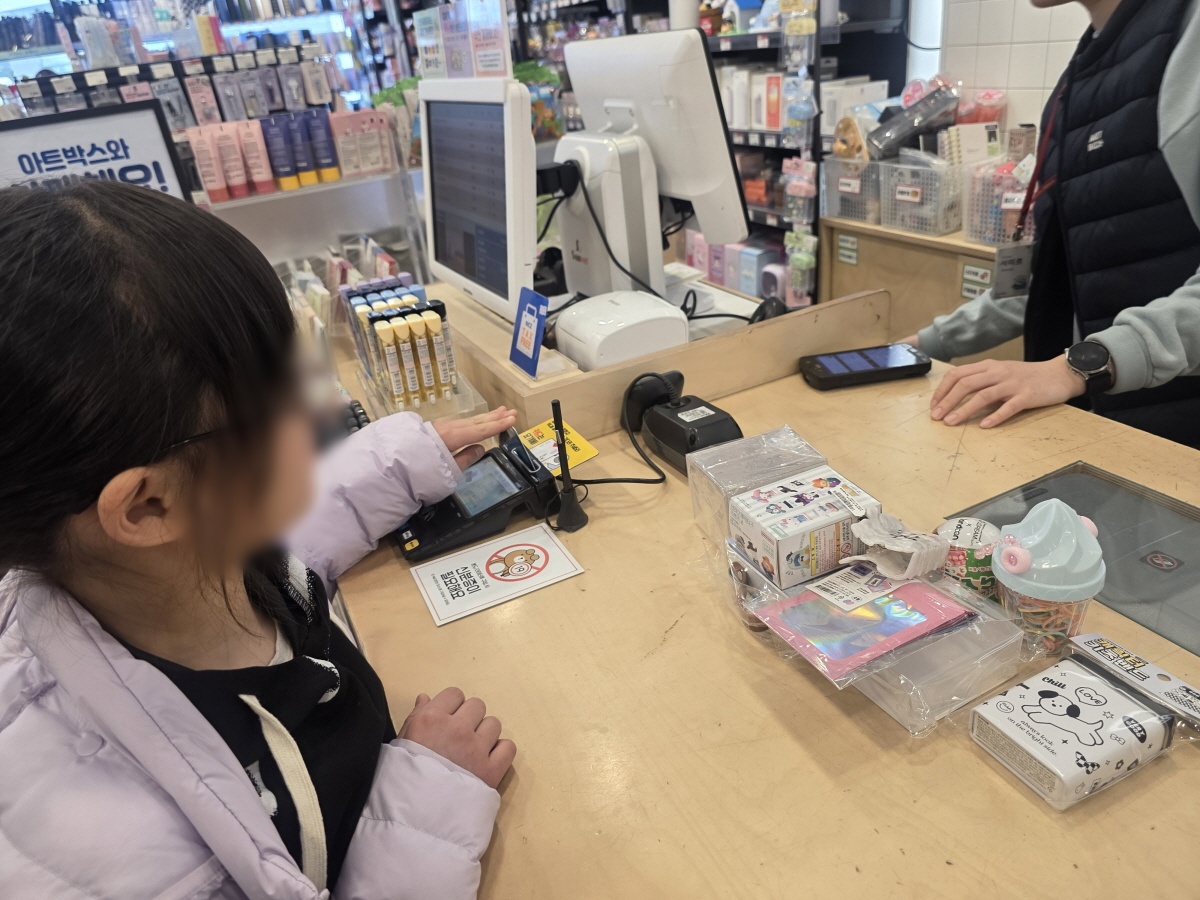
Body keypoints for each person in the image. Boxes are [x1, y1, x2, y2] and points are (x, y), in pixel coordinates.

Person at [0, 181, 519, 898]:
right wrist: (425, 807)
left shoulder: (154, 570)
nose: (323, 405)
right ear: (148, 506)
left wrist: (401, 460)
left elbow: (280, 540)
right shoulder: (128, 856)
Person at [905, 0, 1200, 446]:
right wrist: (924, 344)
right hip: (1110, 426)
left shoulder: (1185, 41)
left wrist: (1081, 365)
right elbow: (1054, 281)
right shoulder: (1076, 82)